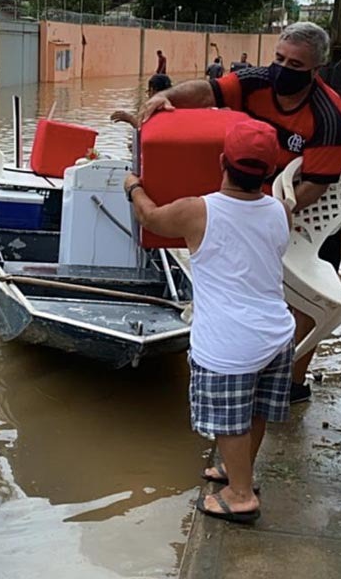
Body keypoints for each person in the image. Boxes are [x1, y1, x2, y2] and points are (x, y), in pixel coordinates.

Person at [138, 21, 341, 405]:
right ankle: (251, 366)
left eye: (296, 65)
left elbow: (318, 182)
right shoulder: (256, 81)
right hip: (253, 195)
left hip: (306, 209)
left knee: (308, 300)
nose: (283, 69)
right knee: (254, 287)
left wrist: (277, 210)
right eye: (279, 58)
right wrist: (165, 97)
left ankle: (293, 381)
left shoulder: (330, 115)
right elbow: (208, 92)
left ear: (316, 70)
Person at [123, 119, 296, 523]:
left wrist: (133, 186)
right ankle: (240, 474)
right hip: (277, 334)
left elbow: (149, 217)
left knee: (229, 421)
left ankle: (240, 495)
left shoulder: (195, 211)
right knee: (255, 412)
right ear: (270, 172)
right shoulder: (282, 212)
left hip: (228, 344)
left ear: (222, 160)